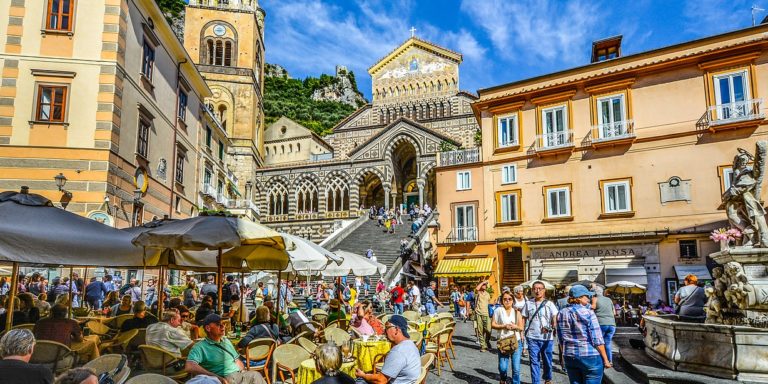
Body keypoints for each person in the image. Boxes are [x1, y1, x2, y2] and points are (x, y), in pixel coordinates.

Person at [185, 314, 267, 384]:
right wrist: (214, 376)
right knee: (255, 376)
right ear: (208, 328)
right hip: (223, 378)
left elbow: (236, 360)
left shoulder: (226, 341)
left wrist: (243, 371)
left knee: (253, 375)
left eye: (223, 324)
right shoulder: (200, 346)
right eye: (218, 325)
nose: (223, 327)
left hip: (238, 376)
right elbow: (189, 366)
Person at [556, 285, 612, 384]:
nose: (589, 299)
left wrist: (563, 356)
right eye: (586, 296)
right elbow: (597, 339)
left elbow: (560, 338)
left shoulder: (561, 313)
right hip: (589, 355)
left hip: (569, 355)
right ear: (579, 298)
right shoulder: (588, 313)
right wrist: (606, 359)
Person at [354, 315, 420, 384]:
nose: (384, 331)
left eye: (387, 328)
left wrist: (363, 375)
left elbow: (381, 380)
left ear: (396, 329)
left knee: (358, 381)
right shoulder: (410, 344)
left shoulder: (398, 351)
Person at [34, 304, 100, 362]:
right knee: (92, 344)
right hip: (61, 357)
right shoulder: (71, 323)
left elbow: (34, 336)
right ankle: (95, 367)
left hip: (39, 355)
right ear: (66, 314)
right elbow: (79, 339)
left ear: (51, 312)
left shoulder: (39, 322)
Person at [523, 281, 559, 384]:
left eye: (540, 289)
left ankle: (547, 378)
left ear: (544, 290)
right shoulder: (528, 303)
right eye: (535, 289)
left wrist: (554, 325)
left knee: (547, 361)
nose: (537, 291)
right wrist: (521, 332)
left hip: (547, 338)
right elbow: (523, 317)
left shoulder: (549, 304)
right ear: (532, 290)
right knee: (534, 362)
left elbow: (554, 316)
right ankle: (536, 382)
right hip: (532, 337)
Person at [491, 291, 524, 384]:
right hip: (503, 342)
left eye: (510, 299)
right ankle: (503, 379)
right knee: (503, 367)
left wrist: (515, 327)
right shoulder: (498, 310)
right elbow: (493, 324)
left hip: (516, 342)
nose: (507, 301)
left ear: (513, 300)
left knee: (516, 368)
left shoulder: (517, 312)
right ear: (502, 300)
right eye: (505, 299)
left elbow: (521, 327)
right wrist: (503, 326)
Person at [591, 286, 616, 363]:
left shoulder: (594, 299)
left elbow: (591, 309)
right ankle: (609, 361)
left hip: (601, 323)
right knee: (607, 343)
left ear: (594, 293)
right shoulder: (609, 299)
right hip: (612, 324)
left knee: (598, 343)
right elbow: (614, 313)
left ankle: (601, 361)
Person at [475, 280, 492, 352]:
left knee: (489, 330)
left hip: (486, 314)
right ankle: (483, 346)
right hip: (478, 313)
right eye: (483, 285)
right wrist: (482, 282)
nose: (484, 286)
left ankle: (487, 341)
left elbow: (489, 303)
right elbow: (477, 289)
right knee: (480, 330)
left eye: (485, 285)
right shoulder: (478, 293)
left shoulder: (488, 294)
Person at [511, 286, 528, 356]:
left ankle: (524, 349)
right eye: (519, 291)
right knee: (517, 332)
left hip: (525, 318)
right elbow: (510, 307)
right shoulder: (513, 299)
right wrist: (515, 309)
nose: (521, 293)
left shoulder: (525, 298)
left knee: (525, 332)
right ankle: (515, 346)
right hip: (515, 318)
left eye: (521, 291)